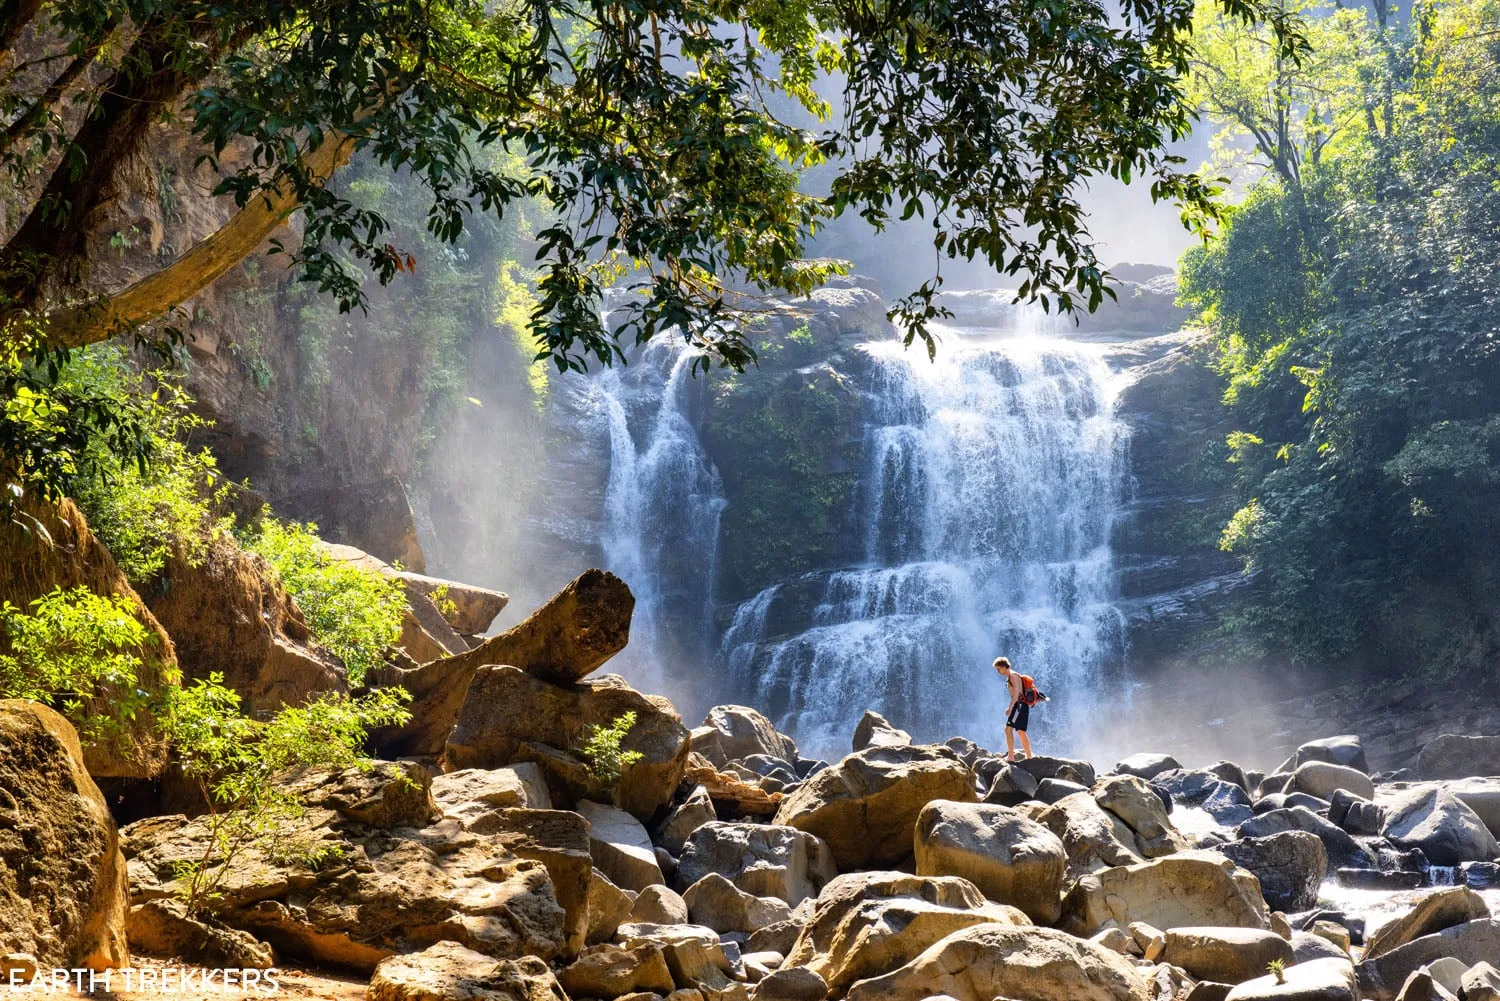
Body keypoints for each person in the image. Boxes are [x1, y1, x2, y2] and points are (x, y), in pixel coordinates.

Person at [993, 656, 1034, 762]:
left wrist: (1010, 707)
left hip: (1019, 705)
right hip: (1020, 705)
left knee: (1008, 729)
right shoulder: (1011, 676)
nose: (998, 671)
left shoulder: (1013, 676)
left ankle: (1011, 756)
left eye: (998, 669)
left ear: (1003, 666)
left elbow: (1017, 693)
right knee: (1020, 731)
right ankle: (1029, 757)